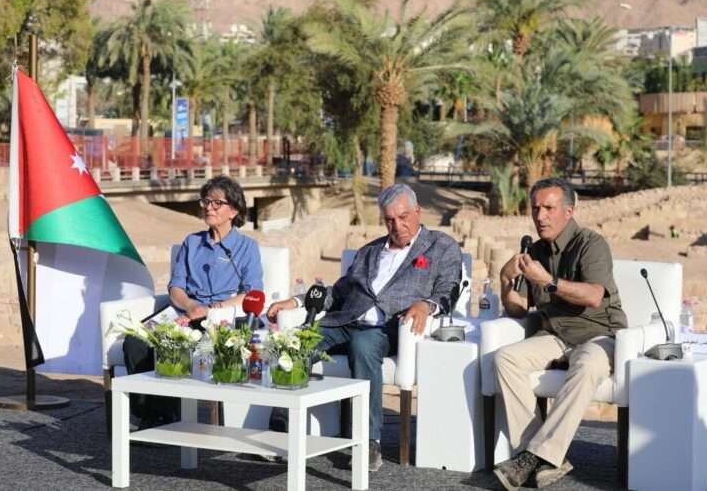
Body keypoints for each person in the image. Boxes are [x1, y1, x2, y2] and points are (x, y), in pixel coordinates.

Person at [266, 183, 462, 471]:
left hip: (389, 328)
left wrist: (426, 304)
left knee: (364, 344)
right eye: (390, 220)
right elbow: (338, 292)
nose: (397, 226)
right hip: (346, 321)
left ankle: (368, 441)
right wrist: (296, 302)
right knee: (297, 343)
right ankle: (281, 429)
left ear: (417, 211)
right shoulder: (369, 251)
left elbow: (449, 290)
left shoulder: (441, 246)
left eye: (403, 217)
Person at [491, 177, 627, 490]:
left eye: (548, 208)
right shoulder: (535, 250)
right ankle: (536, 455)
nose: (540, 216)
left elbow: (594, 296)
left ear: (568, 211)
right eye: (535, 208)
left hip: (599, 334)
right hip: (554, 335)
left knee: (589, 364)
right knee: (505, 358)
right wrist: (505, 281)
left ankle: (535, 456)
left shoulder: (591, 243)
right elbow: (518, 310)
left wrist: (548, 281)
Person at [123, 176, 263, 427]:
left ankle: (169, 415)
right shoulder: (192, 242)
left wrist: (211, 309)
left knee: (188, 345)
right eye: (206, 201)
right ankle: (150, 414)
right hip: (186, 311)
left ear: (234, 210)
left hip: (221, 317)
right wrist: (189, 306)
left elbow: (252, 293)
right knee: (136, 342)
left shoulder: (246, 247)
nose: (209, 207)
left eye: (217, 203)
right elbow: (176, 286)